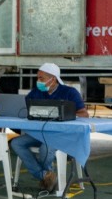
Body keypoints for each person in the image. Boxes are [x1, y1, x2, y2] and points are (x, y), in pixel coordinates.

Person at [10, 63, 88, 192]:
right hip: (40, 133)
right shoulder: (36, 92)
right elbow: (26, 109)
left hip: (61, 135)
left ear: (53, 79)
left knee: (45, 149)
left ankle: (46, 177)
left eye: (42, 78)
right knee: (16, 143)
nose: (38, 81)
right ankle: (46, 176)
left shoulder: (69, 92)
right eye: (37, 78)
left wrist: (64, 114)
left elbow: (84, 114)